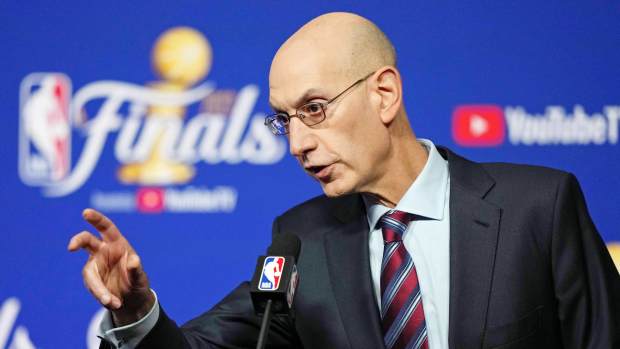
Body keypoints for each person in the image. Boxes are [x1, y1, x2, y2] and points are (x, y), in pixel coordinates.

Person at [68, 12, 620, 349]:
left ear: (384, 93)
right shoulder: (300, 242)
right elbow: (205, 346)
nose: (298, 143)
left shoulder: (537, 207)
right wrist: (135, 312)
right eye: (284, 120)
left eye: (314, 109)